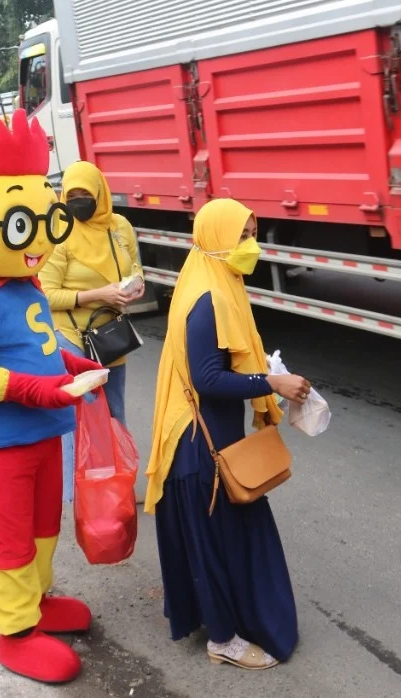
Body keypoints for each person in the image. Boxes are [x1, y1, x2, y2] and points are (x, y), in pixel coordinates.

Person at [0, 110, 101, 684]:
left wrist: (72, 363)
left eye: (45, 222)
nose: (38, 242)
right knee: (8, 537)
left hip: (42, 433)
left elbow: (40, 338)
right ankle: (14, 632)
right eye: (20, 226)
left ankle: (37, 601)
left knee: (43, 527)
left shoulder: (23, 284)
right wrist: (36, 388)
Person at [145, 198, 311, 670]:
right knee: (217, 544)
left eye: (253, 233)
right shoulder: (207, 299)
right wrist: (272, 383)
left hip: (215, 439)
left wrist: (266, 374)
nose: (250, 245)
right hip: (200, 449)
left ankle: (220, 619)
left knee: (226, 540)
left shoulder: (217, 281)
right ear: (216, 238)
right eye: (242, 236)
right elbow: (207, 379)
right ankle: (223, 640)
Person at [39, 160, 144, 501]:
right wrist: (99, 294)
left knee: (115, 411)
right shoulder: (60, 231)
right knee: (77, 416)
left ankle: (120, 483)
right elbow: (46, 293)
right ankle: (78, 493)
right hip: (70, 338)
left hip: (110, 335)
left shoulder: (120, 226)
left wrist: (136, 284)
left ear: (101, 193)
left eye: (86, 193)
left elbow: (136, 263)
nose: (79, 200)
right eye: (72, 194)